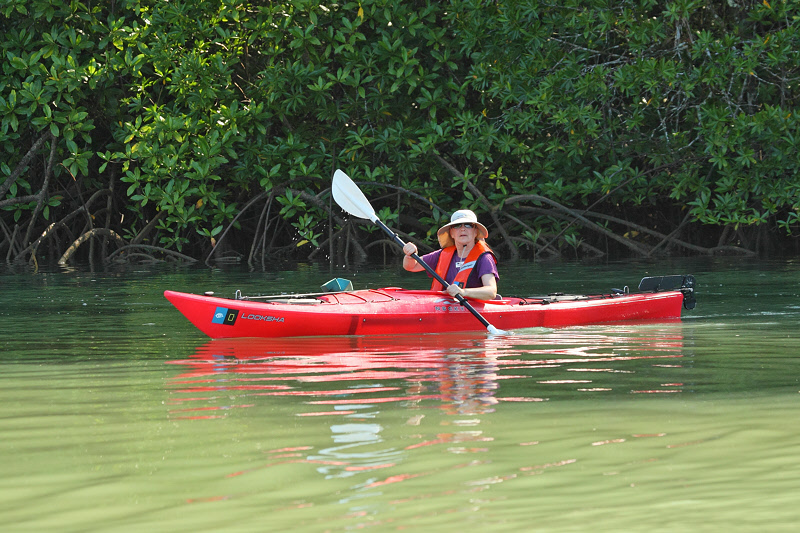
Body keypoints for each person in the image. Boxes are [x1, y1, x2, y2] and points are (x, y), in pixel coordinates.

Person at [402, 209, 499, 300]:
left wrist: (463, 292)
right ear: (451, 233)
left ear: (475, 232)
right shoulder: (442, 254)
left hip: (470, 308)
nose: (462, 229)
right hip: (443, 306)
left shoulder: (484, 258)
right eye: (457, 226)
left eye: (468, 225)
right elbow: (411, 266)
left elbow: (491, 291)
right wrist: (409, 255)